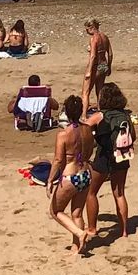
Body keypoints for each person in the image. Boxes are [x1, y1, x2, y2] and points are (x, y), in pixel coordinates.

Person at [82, 82, 136, 244]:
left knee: (91, 192)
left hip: (104, 156)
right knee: (119, 193)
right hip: (122, 155)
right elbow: (133, 136)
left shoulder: (100, 115)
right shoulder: (125, 115)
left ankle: (92, 227)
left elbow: (84, 129)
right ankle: (125, 230)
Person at [46, 95, 91, 254]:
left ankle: (80, 233)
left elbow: (58, 160)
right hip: (85, 174)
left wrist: (50, 180)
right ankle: (78, 247)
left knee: (55, 211)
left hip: (70, 177)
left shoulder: (63, 134)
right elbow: (90, 150)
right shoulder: (87, 129)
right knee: (76, 213)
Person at [84, 19, 112, 106]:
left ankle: (84, 115)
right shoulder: (105, 37)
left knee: (86, 92)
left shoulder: (94, 38)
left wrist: (89, 71)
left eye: (87, 29)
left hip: (96, 66)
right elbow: (110, 54)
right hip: (104, 65)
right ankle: (100, 110)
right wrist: (109, 66)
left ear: (92, 28)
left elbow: (93, 56)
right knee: (99, 90)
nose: (86, 32)